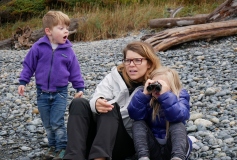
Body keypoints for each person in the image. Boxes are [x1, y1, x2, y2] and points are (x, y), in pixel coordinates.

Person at [63, 41, 161, 160]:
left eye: (137, 60)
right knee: (79, 103)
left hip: (125, 142)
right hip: (100, 137)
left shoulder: (155, 85)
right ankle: (74, 156)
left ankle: (99, 158)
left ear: (149, 63)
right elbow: (97, 96)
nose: (131, 65)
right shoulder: (114, 77)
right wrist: (96, 103)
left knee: (110, 107)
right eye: (128, 60)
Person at [17, 11, 85, 160]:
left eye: (67, 28)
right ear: (48, 31)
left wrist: (79, 87)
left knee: (57, 122)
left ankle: (62, 147)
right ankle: (52, 146)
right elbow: (28, 65)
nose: (66, 31)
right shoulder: (38, 47)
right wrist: (23, 81)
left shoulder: (68, 51)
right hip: (41, 92)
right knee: (47, 123)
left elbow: (75, 71)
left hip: (60, 92)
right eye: (61, 28)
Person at [127, 67, 192, 160]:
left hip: (172, 147)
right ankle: (143, 157)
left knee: (178, 124)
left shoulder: (180, 96)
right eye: (154, 84)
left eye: (161, 85)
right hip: (153, 149)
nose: (156, 89)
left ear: (172, 86)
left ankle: (178, 157)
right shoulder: (147, 98)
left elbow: (179, 116)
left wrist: (165, 96)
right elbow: (134, 115)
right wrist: (144, 95)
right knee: (138, 123)